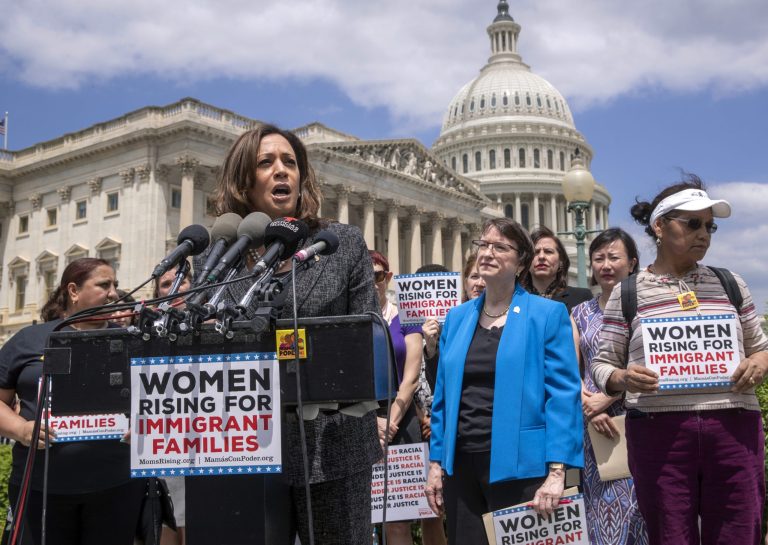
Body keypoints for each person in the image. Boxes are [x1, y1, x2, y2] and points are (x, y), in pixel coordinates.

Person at [209, 124, 380, 544]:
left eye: (290, 162)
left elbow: (364, 338)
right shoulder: (219, 260)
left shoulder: (339, 244)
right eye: (266, 162)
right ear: (244, 181)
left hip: (334, 447)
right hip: (245, 451)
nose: (281, 171)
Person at [590, 176, 768, 545]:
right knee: (671, 534)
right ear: (659, 226)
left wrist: (760, 363)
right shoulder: (628, 292)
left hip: (734, 429)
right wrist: (623, 378)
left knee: (739, 532)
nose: (703, 233)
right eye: (692, 223)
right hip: (660, 433)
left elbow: (761, 347)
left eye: (709, 226)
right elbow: (602, 364)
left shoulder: (731, 284)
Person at [426, 218, 583, 545]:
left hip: (521, 466)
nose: (487, 253)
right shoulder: (457, 318)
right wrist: (437, 463)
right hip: (461, 465)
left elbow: (563, 396)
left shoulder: (546, 314)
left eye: (500, 247)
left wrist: (557, 474)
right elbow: (442, 398)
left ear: (521, 261)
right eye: (483, 245)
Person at [0, 258, 145, 545]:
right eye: (104, 284)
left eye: (115, 285)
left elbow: (160, 400)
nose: (114, 293)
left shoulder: (134, 340)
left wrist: (147, 426)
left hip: (116, 487)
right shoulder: (30, 339)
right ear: (73, 291)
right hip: (39, 491)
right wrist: (22, 430)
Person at [570, 228, 647, 545]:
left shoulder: (647, 308)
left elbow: (659, 367)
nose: (605, 265)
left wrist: (608, 397)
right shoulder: (580, 312)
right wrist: (588, 405)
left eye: (613, 257)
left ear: (632, 263)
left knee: (645, 510)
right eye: (598, 258)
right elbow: (569, 369)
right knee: (602, 514)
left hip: (641, 419)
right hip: (596, 429)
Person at [369, 251, 431, 545]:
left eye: (378, 276)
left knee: (397, 522)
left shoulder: (406, 316)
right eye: (365, 276)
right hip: (362, 419)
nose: (372, 282)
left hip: (400, 420)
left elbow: (411, 378)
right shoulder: (349, 317)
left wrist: (389, 422)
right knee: (360, 519)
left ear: (388, 277)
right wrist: (373, 424)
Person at [153, 264, 192, 545]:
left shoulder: (219, 322)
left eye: (183, 281)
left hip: (205, 443)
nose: (175, 289)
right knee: (166, 528)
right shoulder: (146, 333)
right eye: (167, 284)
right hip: (164, 445)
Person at [523, 226, 593, 313]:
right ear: (527, 261)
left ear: (561, 261)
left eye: (548, 251)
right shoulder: (515, 299)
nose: (541, 257)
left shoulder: (581, 298)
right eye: (535, 252)